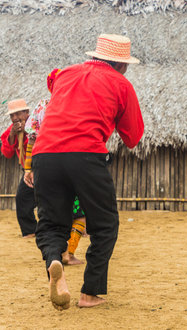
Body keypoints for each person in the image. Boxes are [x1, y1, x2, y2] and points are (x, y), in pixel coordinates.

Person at [32, 34, 144, 310]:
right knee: (105, 225)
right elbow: (132, 138)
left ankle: (54, 262)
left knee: (51, 223)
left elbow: (52, 80)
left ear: (94, 56)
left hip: (44, 153)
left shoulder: (65, 74)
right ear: (123, 65)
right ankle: (90, 293)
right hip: (86, 155)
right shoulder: (121, 84)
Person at [24, 69, 87, 265]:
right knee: (79, 214)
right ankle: (68, 253)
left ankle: (55, 255)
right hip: (72, 166)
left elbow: (31, 139)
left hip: (45, 166)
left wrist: (28, 168)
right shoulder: (78, 105)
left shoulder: (42, 106)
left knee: (52, 217)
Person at [1, 99, 37, 238]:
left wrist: (27, 132)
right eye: (12, 115)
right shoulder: (12, 130)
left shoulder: (35, 124)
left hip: (42, 167)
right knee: (22, 198)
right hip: (27, 171)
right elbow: (7, 153)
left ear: (27, 112)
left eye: (18, 114)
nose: (15, 118)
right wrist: (12, 135)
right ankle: (30, 231)